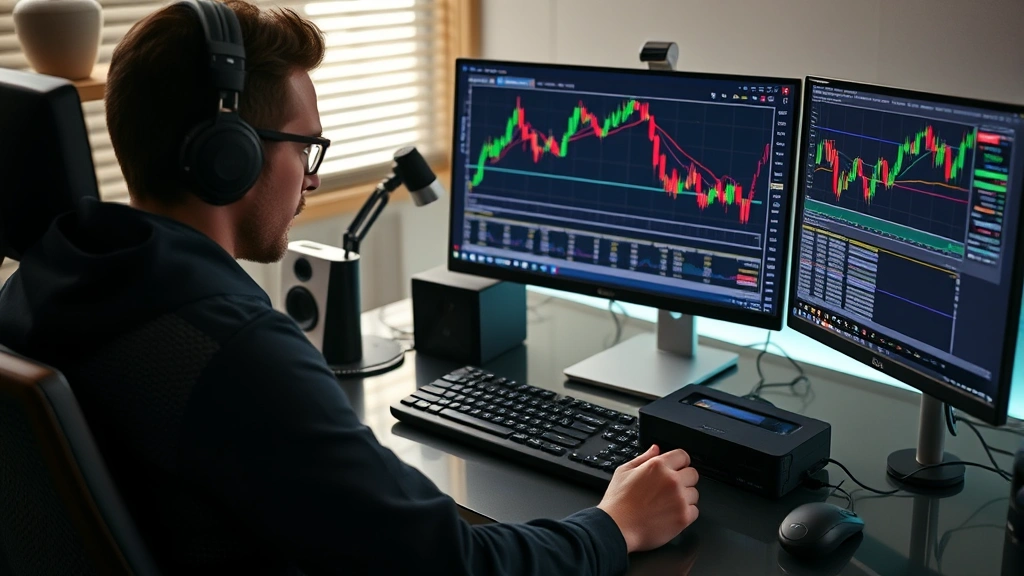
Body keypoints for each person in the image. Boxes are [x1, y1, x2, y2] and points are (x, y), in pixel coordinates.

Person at [0, 1, 700, 574]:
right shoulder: (232, 352)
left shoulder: (45, 285)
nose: (310, 176)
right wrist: (613, 526)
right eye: (304, 147)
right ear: (228, 155)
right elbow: (452, 567)